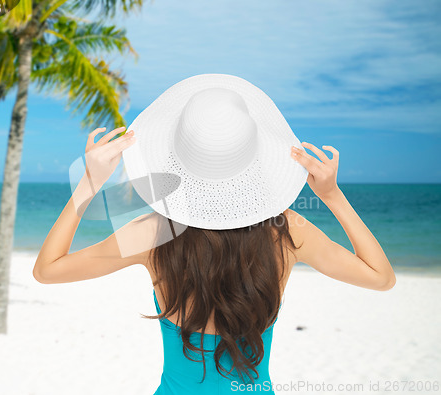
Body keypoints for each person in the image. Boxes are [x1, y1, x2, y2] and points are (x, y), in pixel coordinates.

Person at [33, 74, 395, 394]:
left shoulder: (152, 234)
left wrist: (90, 183)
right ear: (254, 160)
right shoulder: (288, 231)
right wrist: (332, 196)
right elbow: (381, 278)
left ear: (177, 160)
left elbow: (48, 269)